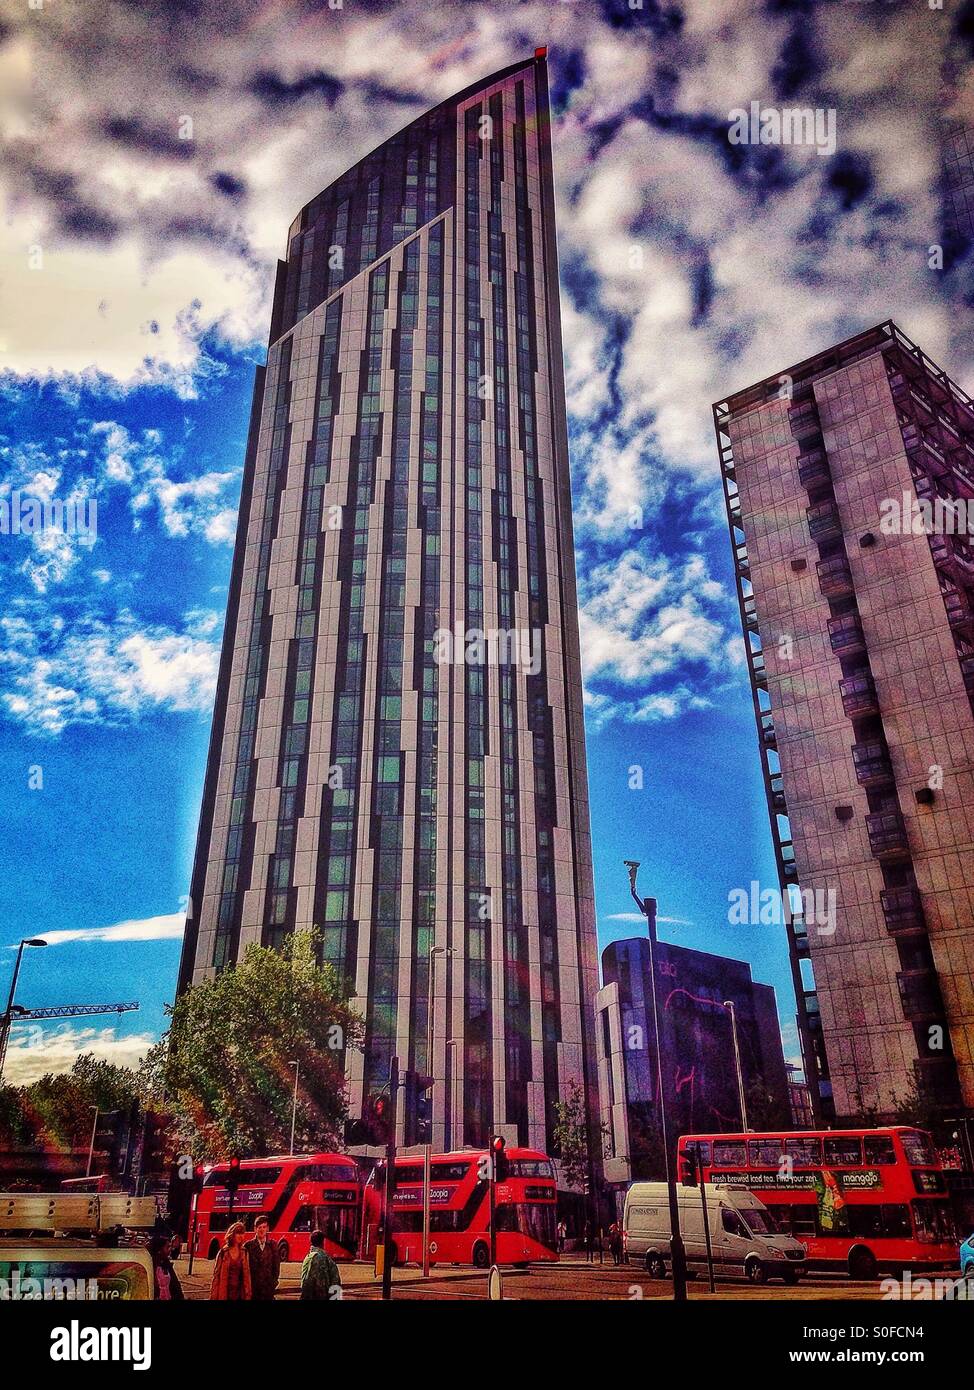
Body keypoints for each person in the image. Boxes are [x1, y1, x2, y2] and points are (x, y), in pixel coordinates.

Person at [210, 1221, 252, 1300]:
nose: (240, 1236)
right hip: (225, 1292)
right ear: (232, 1234)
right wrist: (214, 1295)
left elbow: (247, 1276)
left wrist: (248, 1293)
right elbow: (216, 1276)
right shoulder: (223, 1252)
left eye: (242, 1233)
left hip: (239, 1293)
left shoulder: (244, 1252)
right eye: (238, 1233)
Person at [300, 1229, 342, 1301]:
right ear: (323, 1242)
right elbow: (335, 1283)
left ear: (311, 1242)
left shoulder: (307, 1258)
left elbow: (304, 1282)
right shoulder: (326, 1259)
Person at [246, 1215, 281, 1301]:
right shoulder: (248, 1246)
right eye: (259, 1227)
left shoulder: (273, 1245)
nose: (262, 1230)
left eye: (264, 1227)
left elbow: (276, 1267)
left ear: (267, 1229)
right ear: (255, 1229)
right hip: (253, 1289)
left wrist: (273, 1283)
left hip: (268, 1289)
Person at [149, 1233, 184, 1301]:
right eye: (167, 1247)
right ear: (159, 1250)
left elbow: (175, 1285)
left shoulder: (166, 1264)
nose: (170, 1249)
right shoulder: (150, 1265)